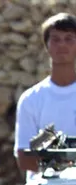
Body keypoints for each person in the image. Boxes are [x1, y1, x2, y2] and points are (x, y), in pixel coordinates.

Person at [16, 13, 76, 175]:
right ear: (47, 45)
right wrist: (62, 172)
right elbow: (24, 157)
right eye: (56, 39)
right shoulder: (31, 99)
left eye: (69, 38)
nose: (62, 44)